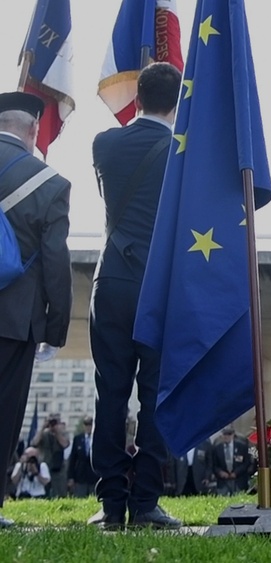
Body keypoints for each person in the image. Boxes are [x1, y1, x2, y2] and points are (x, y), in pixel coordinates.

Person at [88, 62, 183, 530]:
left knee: (111, 393)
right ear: (177, 102)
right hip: (159, 288)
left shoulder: (104, 144)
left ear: (138, 98)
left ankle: (110, 505)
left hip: (113, 283)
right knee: (154, 396)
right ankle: (145, 503)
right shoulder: (182, 153)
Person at [0, 91, 72, 527]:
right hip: (14, 320)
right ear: (31, 131)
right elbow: (55, 264)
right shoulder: (49, 183)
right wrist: (56, 327)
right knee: (4, 413)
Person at [32, 412, 69, 497]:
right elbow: (34, 443)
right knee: (46, 492)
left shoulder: (62, 433)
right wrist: (43, 428)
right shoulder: (44, 434)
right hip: (45, 466)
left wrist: (57, 432)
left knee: (60, 493)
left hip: (59, 469)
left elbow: (65, 444)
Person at [212, 427, 253, 496]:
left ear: (233, 435)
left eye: (229, 434)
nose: (227, 436)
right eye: (225, 434)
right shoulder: (217, 448)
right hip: (223, 482)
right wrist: (220, 472)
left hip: (239, 480)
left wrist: (236, 472)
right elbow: (213, 464)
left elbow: (247, 462)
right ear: (221, 435)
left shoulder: (242, 446)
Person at [67, 416, 98, 497]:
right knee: (80, 496)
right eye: (86, 425)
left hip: (94, 475)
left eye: (90, 425)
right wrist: (71, 477)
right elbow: (73, 459)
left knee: (93, 496)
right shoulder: (78, 439)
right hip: (80, 475)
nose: (88, 427)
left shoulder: (97, 439)